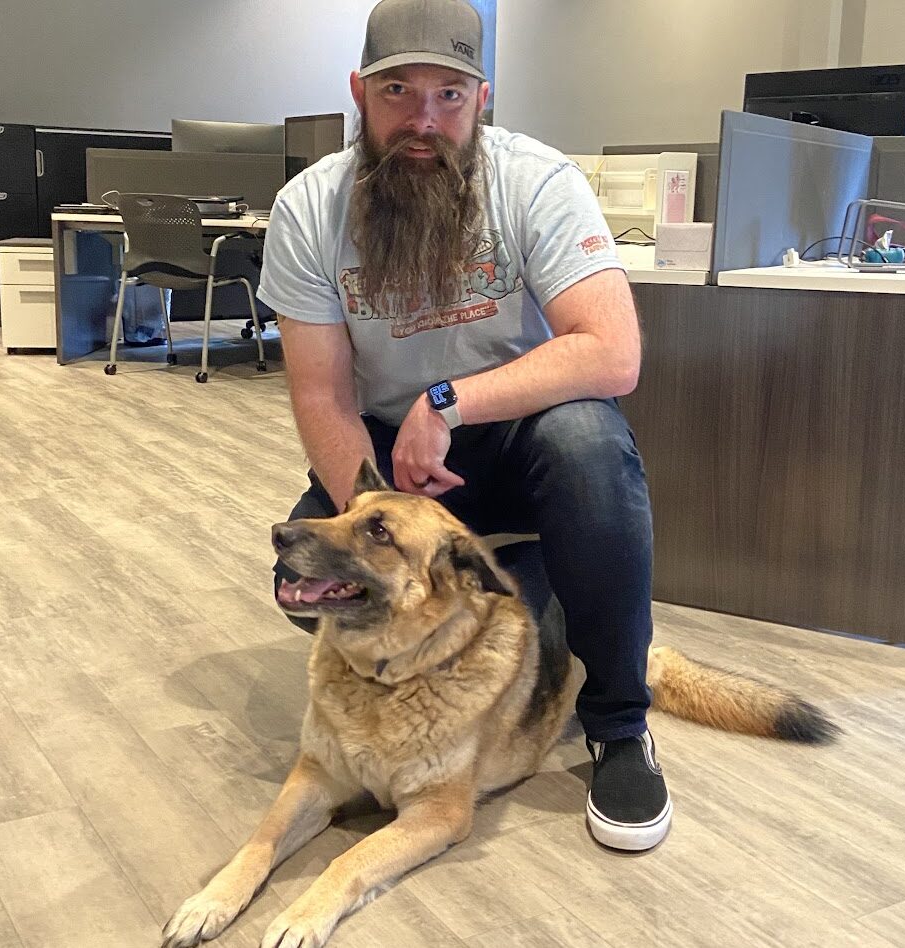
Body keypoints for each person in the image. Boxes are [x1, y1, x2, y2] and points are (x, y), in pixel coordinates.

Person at [257, 0, 671, 852]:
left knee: (590, 442)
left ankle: (619, 723)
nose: (424, 119)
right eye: (398, 91)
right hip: (388, 465)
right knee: (302, 591)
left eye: (450, 94)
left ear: (484, 97)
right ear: (358, 94)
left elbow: (613, 352)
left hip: (514, 431)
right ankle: (522, 592)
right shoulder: (309, 209)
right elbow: (323, 397)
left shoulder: (537, 182)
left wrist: (447, 402)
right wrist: (376, 520)